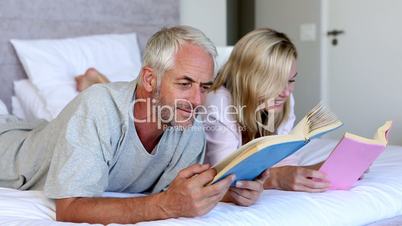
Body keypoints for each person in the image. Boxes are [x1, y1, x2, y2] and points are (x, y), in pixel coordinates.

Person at [0, 26, 267, 225]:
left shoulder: (188, 123)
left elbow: (177, 192)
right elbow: (69, 208)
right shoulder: (99, 107)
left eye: (204, 87)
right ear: (150, 80)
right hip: (9, 149)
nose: (197, 101)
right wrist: (165, 206)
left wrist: (231, 194)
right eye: (184, 84)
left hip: (49, 130)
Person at [204, 28, 330, 193]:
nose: (286, 92)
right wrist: (276, 178)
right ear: (247, 78)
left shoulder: (284, 100)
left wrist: (316, 171)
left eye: (291, 80)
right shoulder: (218, 102)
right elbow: (225, 175)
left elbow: (283, 159)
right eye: (275, 82)